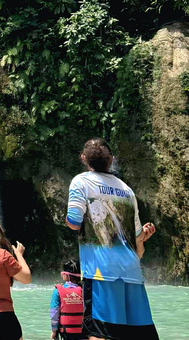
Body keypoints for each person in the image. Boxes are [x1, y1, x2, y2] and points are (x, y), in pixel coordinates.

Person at [66, 138, 159, 340]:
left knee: (99, 332)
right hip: (131, 271)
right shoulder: (126, 189)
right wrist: (142, 237)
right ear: (111, 160)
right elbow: (137, 236)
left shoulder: (81, 181)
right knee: (138, 333)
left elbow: (73, 221)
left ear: (83, 158)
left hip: (101, 271)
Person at [50, 260, 85, 340]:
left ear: (65, 275)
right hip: (83, 330)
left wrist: (54, 331)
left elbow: (54, 313)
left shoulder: (57, 291)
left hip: (66, 331)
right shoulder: (85, 290)